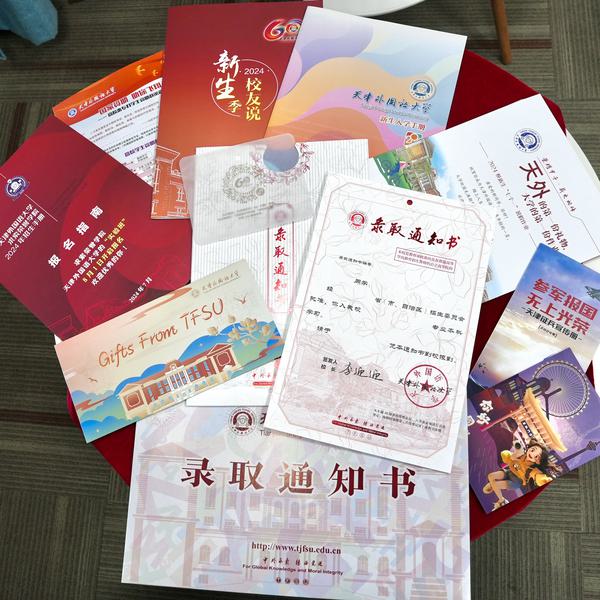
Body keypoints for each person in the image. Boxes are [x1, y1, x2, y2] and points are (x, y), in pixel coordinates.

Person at [483, 440, 555, 511]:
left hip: (516, 481)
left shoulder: (532, 469)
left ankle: (502, 500)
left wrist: (544, 480)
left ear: (538, 461)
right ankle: (493, 486)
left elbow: (537, 476)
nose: (532, 453)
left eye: (536, 456)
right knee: (490, 476)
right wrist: (510, 456)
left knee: (495, 485)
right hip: (509, 472)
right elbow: (510, 458)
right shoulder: (521, 455)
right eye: (532, 450)